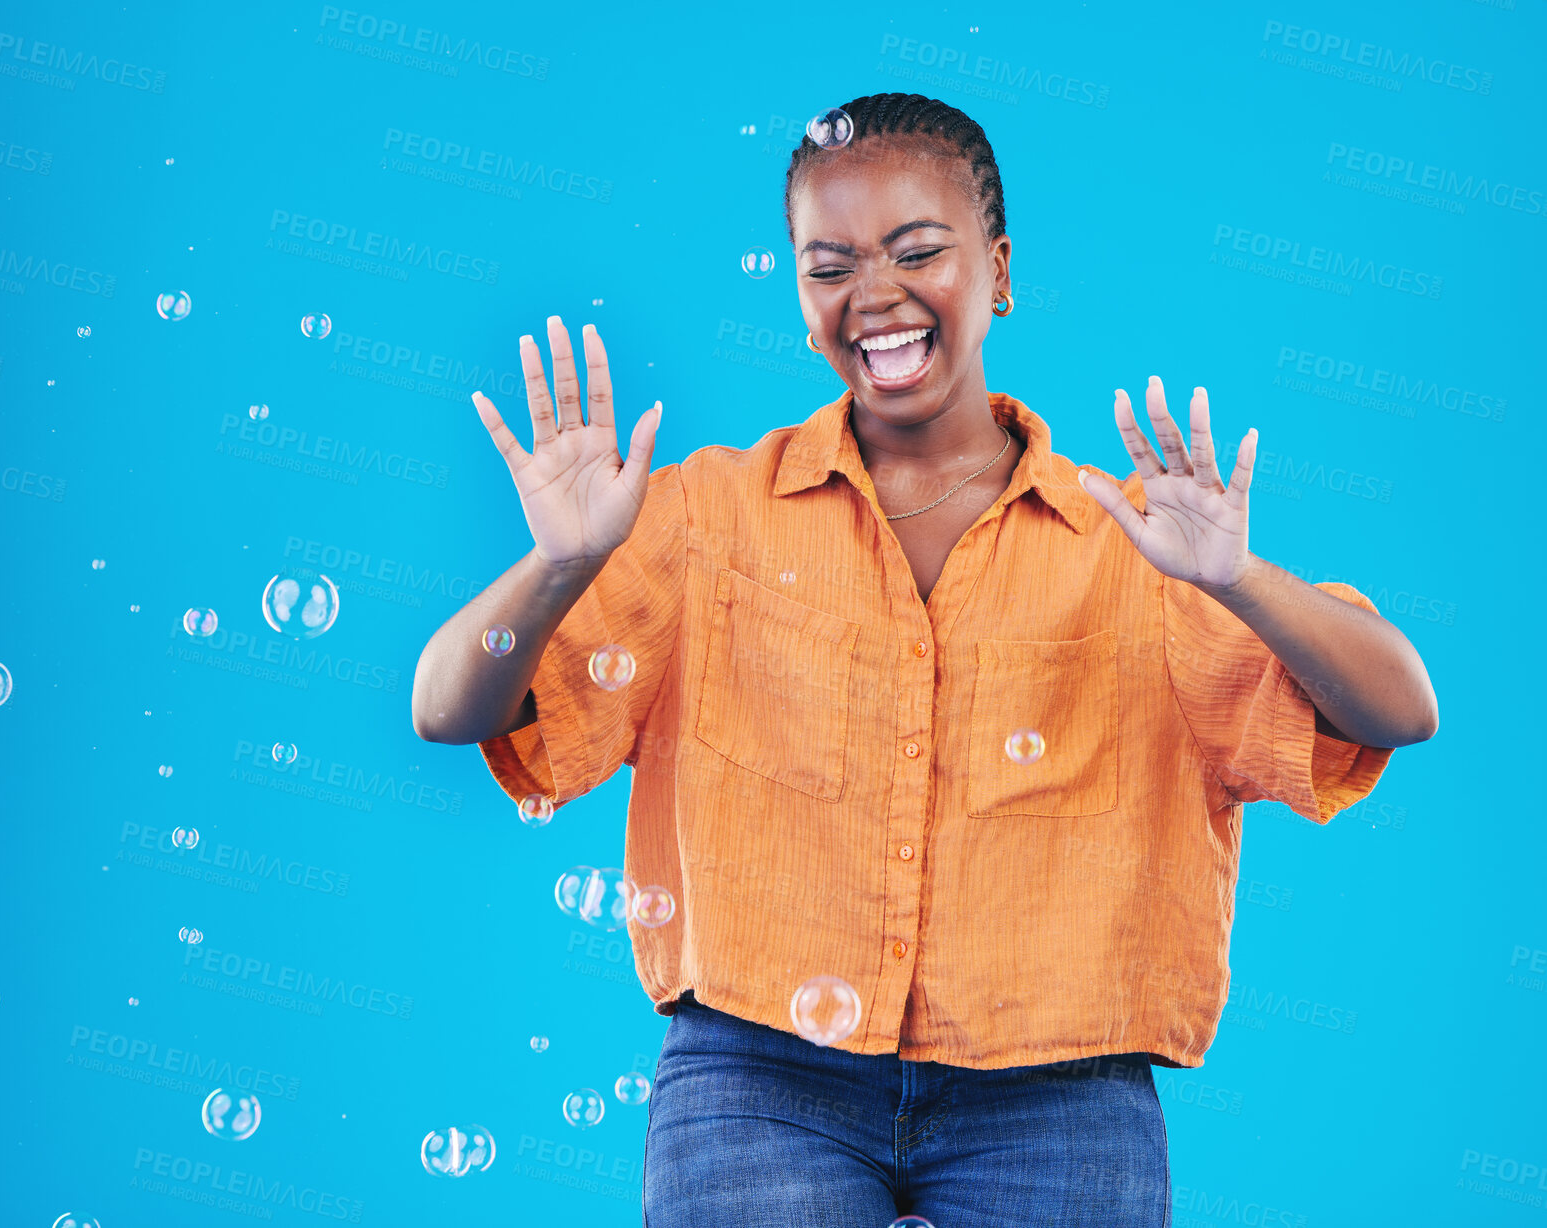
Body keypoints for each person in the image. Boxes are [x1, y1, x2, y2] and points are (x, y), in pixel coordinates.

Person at [412, 92, 1438, 1227]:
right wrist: (559, 566)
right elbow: (446, 706)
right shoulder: (705, 517)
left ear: (998, 268)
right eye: (831, 263)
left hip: (1059, 1094)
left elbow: (1399, 705)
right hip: (760, 1079)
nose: (877, 295)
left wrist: (1235, 578)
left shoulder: (1139, 544)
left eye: (917, 250)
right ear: (800, 294)